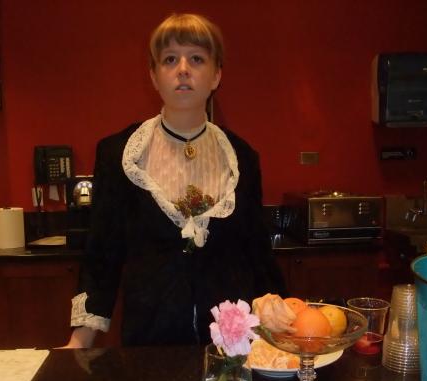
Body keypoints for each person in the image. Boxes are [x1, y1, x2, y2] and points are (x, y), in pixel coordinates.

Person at [65, 13, 286, 348]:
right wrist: (80, 340)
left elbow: (255, 249)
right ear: (154, 76)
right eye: (170, 59)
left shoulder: (241, 157)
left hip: (231, 345)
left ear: (216, 75)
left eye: (197, 58)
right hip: (149, 342)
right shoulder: (120, 154)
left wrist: (280, 322)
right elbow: (103, 253)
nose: (183, 69)